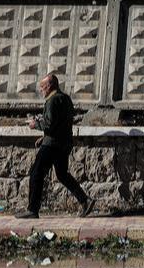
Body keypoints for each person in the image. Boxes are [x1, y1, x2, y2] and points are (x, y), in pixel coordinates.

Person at [19, 73, 92, 219]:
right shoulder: (65, 99)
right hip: (64, 143)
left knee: (36, 173)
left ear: (50, 85)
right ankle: (85, 200)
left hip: (52, 145)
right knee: (62, 174)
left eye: (42, 87)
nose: (41, 90)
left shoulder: (52, 100)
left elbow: (49, 124)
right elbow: (62, 124)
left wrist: (35, 124)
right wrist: (45, 136)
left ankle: (33, 209)